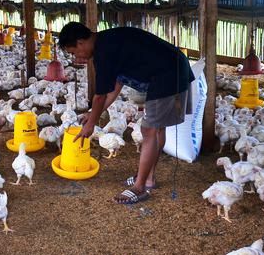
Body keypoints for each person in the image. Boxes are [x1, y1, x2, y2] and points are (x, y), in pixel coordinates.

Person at [58, 22, 194, 204]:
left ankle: (139, 188)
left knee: (149, 130)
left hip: (168, 74)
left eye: (74, 52)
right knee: (156, 129)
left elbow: (100, 96)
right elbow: (115, 86)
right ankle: (149, 179)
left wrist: (91, 124)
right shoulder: (107, 41)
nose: (77, 57)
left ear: (81, 42)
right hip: (172, 68)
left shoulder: (103, 52)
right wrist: (92, 114)